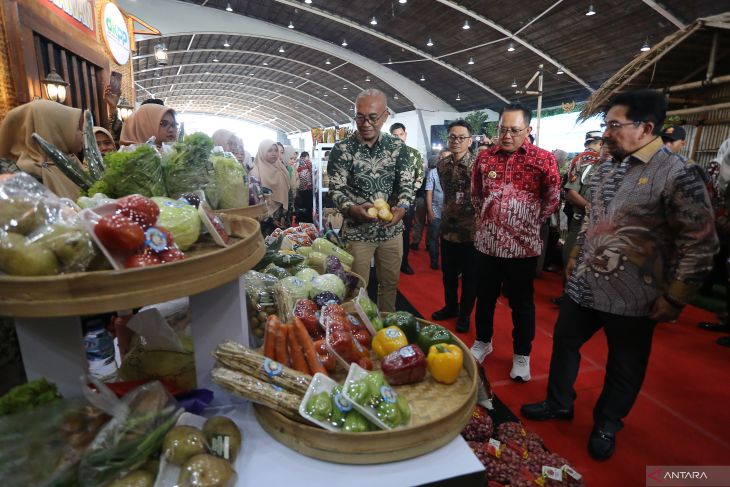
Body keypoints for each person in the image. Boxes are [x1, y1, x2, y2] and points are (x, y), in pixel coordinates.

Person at [520, 90, 718, 461]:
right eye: (606, 125)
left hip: (635, 294)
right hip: (585, 285)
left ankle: (608, 422)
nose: (607, 132)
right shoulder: (608, 166)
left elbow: (701, 243)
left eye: (614, 125)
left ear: (645, 127)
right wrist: (574, 265)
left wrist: (675, 296)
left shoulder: (678, 173)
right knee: (564, 342)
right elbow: (596, 220)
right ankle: (559, 402)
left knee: (624, 365)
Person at [470, 103, 561, 381]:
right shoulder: (484, 158)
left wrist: (524, 222)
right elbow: (476, 194)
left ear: (528, 130)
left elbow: (553, 198)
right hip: (487, 245)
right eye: (502, 129)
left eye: (514, 130)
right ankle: (483, 342)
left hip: (523, 249)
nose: (507, 135)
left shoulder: (543, 159)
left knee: (522, 304)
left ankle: (522, 355)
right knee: (484, 297)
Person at [328, 89, 413, 312]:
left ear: (385, 116)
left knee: (390, 284)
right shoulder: (342, 149)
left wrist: (402, 208)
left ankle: (386, 325)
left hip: (391, 231)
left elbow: (406, 185)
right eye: (360, 116)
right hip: (357, 232)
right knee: (356, 287)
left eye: (373, 117)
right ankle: (357, 332)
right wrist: (353, 209)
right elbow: (336, 190)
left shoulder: (397, 148)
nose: (365, 123)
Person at [431, 120, 478, 333]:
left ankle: (465, 314)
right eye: (452, 137)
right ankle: (451, 307)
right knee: (448, 274)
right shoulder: (442, 165)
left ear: (470, 140)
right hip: (448, 228)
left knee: (470, 278)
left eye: (461, 137)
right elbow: (447, 193)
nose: (456, 141)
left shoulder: (479, 164)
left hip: (471, 232)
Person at [0, 99, 84, 200]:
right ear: (55, 131)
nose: (82, 133)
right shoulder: (26, 177)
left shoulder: (69, 161)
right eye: (77, 128)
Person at [562, 132, 603, 270]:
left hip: (574, 209)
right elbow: (570, 191)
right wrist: (591, 208)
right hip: (582, 215)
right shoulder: (592, 161)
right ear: (599, 144)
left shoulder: (577, 158)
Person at [389, 123, 424, 275]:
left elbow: (419, 177)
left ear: (406, 134)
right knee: (387, 232)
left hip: (407, 203)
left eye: (401, 134)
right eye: (395, 135)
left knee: (405, 233)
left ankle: (404, 263)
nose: (398, 138)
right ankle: (388, 264)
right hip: (387, 203)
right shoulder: (385, 154)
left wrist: (407, 195)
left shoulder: (414, 154)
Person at [251, 139, 291, 233]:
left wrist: (284, 215)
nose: (274, 153)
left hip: (282, 214)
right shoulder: (256, 170)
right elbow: (256, 198)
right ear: (262, 151)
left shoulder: (281, 168)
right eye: (269, 150)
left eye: (276, 150)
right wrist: (271, 220)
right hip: (265, 217)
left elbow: (287, 190)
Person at [425, 151, 448, 270]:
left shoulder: (455, 172)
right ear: (439, 158)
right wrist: (429, 211)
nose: (445, 159)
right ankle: (434, 260)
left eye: (448, 157)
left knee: (448, 240)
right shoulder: (433, 172)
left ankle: (447, 262)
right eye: (442, 157)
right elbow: (429, 192)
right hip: (436, 210)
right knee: (434, 237)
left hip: (450, 213)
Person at [295, 151, 314, 223]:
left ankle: (300, 220)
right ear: (307, 156)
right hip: (308, 188)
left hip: (299, 188)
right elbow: (312, 172)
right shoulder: (308, 162)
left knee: (300, 205)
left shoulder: (297, 162)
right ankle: (308, 220)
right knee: (308, 205)